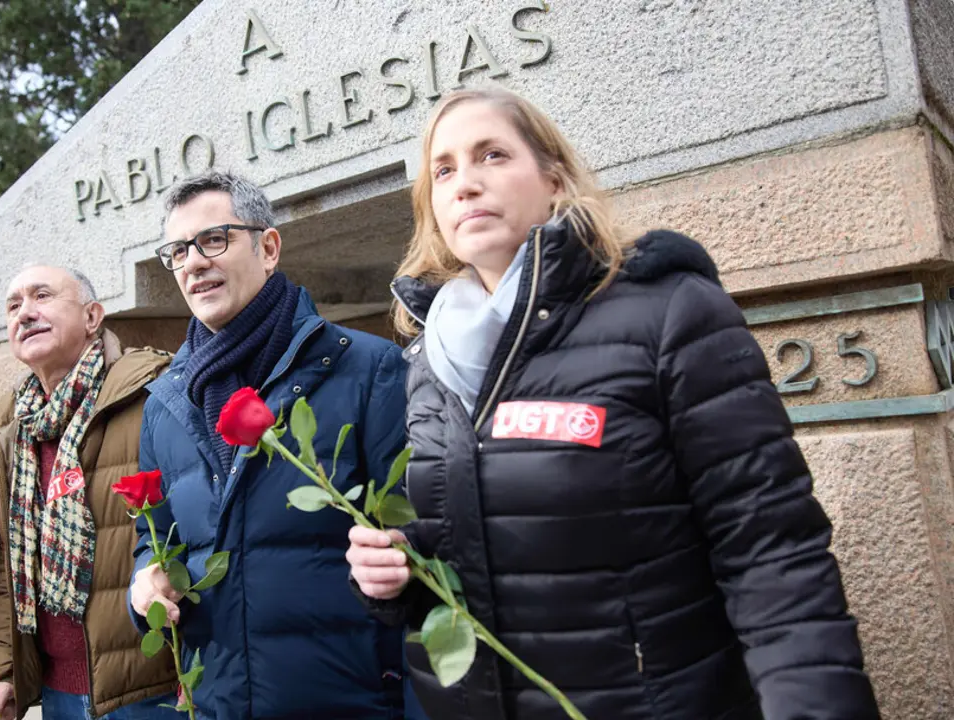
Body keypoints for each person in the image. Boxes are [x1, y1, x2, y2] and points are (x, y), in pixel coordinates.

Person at [346, 87, 881, 720]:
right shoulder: (428, 358)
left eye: (492, 155)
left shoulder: (667, 311)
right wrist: (402, 570)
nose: (465, 183)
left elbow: (770, 550)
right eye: (444, 170)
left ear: (554, 180)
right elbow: (481, 542)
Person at [128, 171, 420, 719]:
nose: (193, 263)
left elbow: (424, 540)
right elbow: (154, 539)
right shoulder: (164, 404)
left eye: (214, 239)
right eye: (178, 251)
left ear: (268, 248)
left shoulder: (369, 368)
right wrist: (143, 585)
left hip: (349, 703)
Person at [0, 266, 179, 720]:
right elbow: (13, 561)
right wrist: (5, 670)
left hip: (150, 686)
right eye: (13, 306)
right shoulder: (15, 426)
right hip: (59, 692)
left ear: (92, 316)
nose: (25, 313)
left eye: (42, 296)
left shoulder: (150, 392)